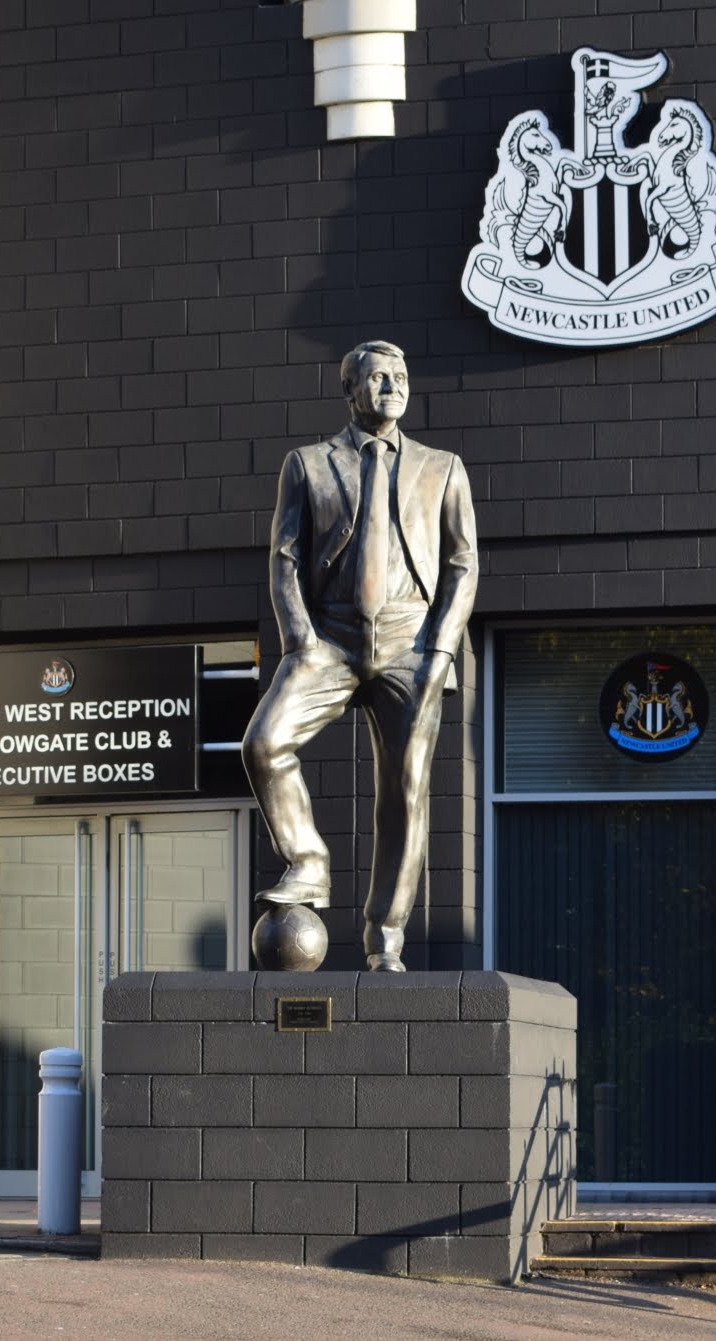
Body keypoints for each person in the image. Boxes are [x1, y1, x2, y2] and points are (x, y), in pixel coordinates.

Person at [242, 341, 478, 971]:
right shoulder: (308, 464)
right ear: (350, 391)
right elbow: (284, 558)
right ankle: (308, 860)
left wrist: (441, 650)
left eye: (401, 377)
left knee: (405, 790)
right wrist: (301, 640)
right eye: (378, 378)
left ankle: (386, 939)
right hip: (331, 641)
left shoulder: (443, 468)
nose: (392, 387)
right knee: (264, 742)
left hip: (412, 645)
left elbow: (463, 564)